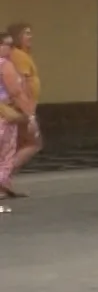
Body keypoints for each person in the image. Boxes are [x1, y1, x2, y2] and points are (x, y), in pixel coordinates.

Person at [4, 24, 42, 188]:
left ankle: (5, 179)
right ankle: (4, 177)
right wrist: (29, 111)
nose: (30, 36)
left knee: (17, 145)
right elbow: (20, 85)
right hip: (21, 107)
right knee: (33, 143)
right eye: (26, 33)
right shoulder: (18, 56)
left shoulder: (23, 55)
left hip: (23, 106)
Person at [0, 36, 30, 206]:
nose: (10, 49)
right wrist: (28, 112)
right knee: (6, 150)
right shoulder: (5, 65)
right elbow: (15, 91)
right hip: (5, 113)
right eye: (7, 45)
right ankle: (2, 185)